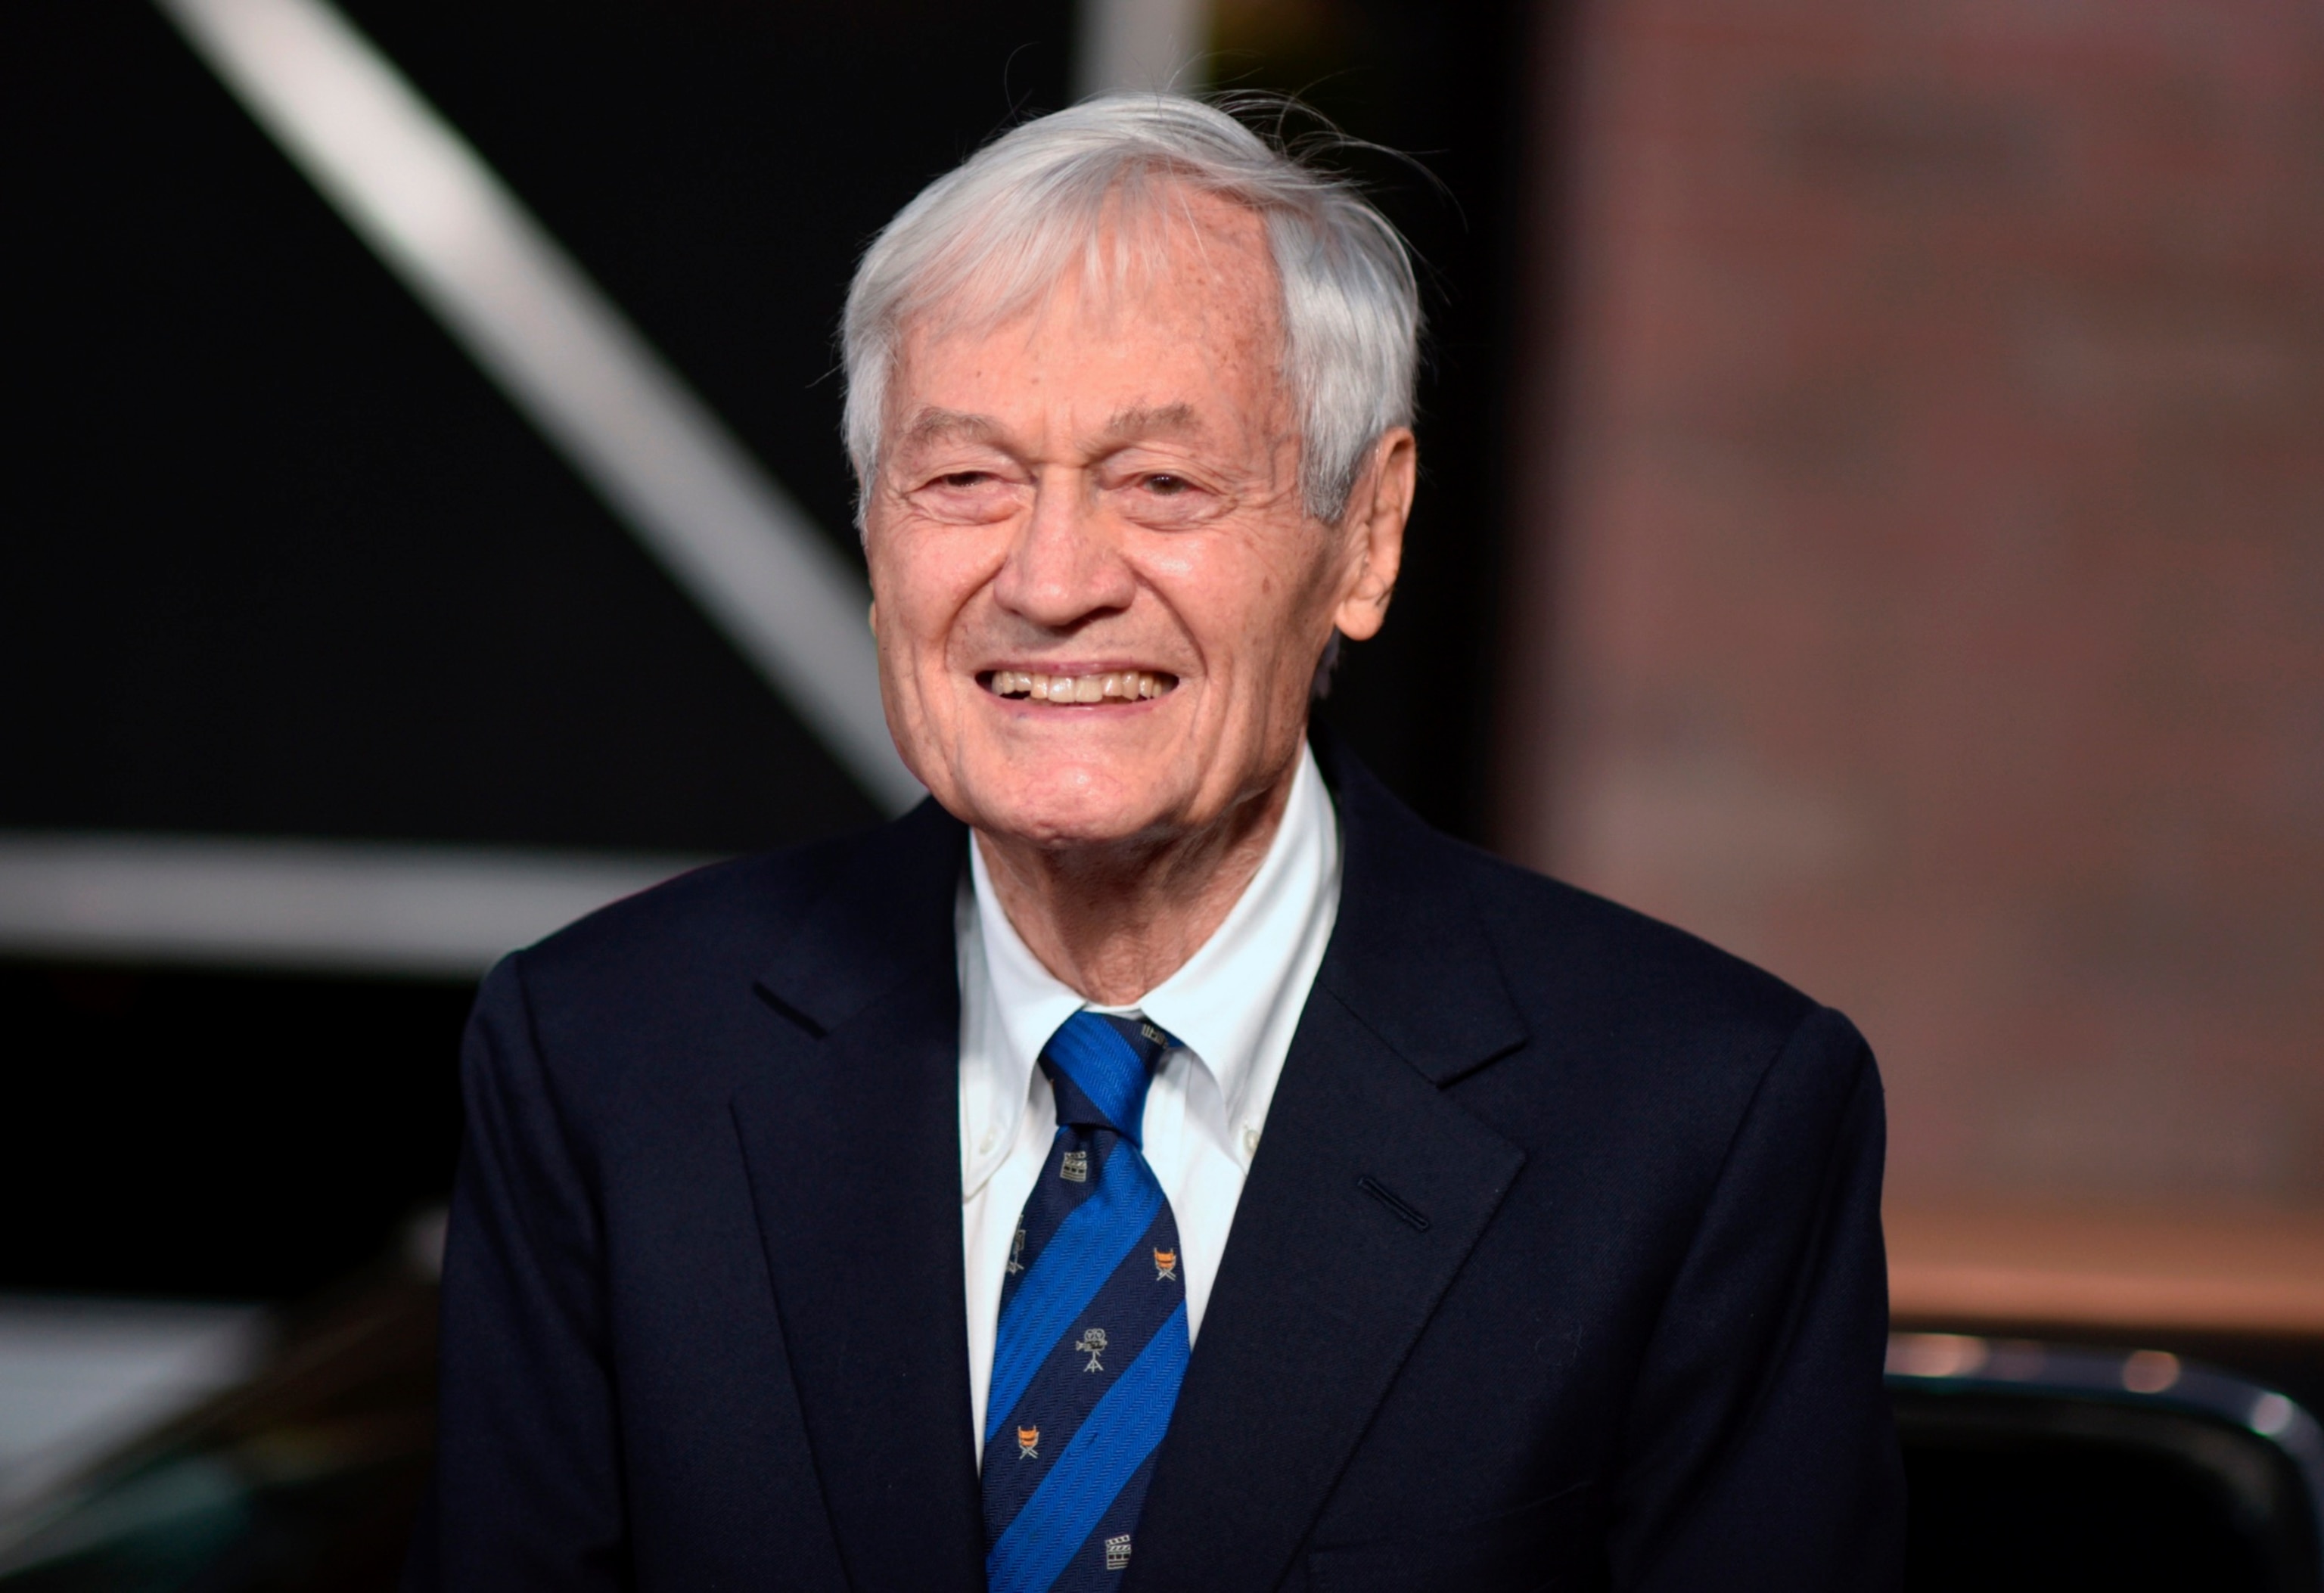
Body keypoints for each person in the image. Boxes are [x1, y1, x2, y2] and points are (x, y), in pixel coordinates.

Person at [405, 95, 1904, 1592]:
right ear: (874, 535)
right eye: (966, 479)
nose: (1053, 583)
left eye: (1161, 484)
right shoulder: (612, 1058)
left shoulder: (1696, 1122)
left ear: (1366, 537)